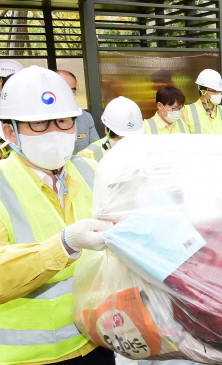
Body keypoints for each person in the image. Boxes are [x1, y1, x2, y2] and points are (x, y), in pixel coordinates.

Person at [0, 65, 116, 364]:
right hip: (29, 356)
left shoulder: (92, 171)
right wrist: (63, 245)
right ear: (9, 131)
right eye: (39, 124)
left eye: (63, 121)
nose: (54, 133)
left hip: (96, 340)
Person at [78, 96, 144, 161]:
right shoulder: (87, 157)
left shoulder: (147, 151)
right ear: (106, 130)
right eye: (121, 139)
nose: (126, 144)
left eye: (132, 138)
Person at [56, 70, 100, 154]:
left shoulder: (85, 118)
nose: (69, 95)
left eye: (72, 91)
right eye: (63, 90)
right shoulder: (36, 121)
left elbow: (96, 148)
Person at [182, 69, 222, 135]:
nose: (217, 94)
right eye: (214, 91)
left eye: (219, 91)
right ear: (203, 91)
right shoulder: (186, 111)